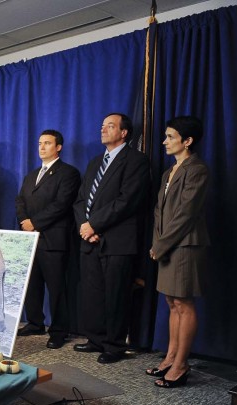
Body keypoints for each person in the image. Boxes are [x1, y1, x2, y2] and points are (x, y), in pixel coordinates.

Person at [72, 113, 150, 364]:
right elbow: (82, 199)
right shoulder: (96, 162)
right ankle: (96, 339)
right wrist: (85, 227)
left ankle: (114, 346)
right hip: (90, 239)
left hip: (118, 240)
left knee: (116, 295)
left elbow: (127, 201)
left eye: (110, 126)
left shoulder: (136, 160)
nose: (103, 129)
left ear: (124, 132)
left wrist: (94, 224)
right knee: (92, 293)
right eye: (102, 125)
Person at [148, 116, 209, 388]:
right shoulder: (168, 172)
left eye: (170, 137)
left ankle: (182, 365)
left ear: (187, 141)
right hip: (166, 244)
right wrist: (156, 242)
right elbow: (159, 212)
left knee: (183, 304)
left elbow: (186, 214)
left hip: (184, 245)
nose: (165, 141)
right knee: (171, 302)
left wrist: (161, 245)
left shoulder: (197, 170)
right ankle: (170, 357)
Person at [15, 130, 81, 349]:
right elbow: (20, 200)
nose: (41, 147)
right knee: (32, 285)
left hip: (53, 239)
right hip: (31, 238)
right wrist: (24, 220)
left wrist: (35, 223)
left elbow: (61, 205)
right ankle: (35, 322)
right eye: (40, 143)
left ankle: (59, 331)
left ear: (58, 147)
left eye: (47, 143)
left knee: (56, 288)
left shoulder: (68, 173)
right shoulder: (32, 174)